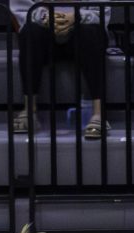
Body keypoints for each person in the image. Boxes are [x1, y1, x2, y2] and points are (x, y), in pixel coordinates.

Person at [10, 0, 109, 139]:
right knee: (29, 32)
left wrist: (77, 16)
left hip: (82, 29)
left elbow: (100, 12)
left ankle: (98, 113)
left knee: (91, 32)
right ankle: (29, 111)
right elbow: (22, 11)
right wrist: (45, 17)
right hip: (43, 29)